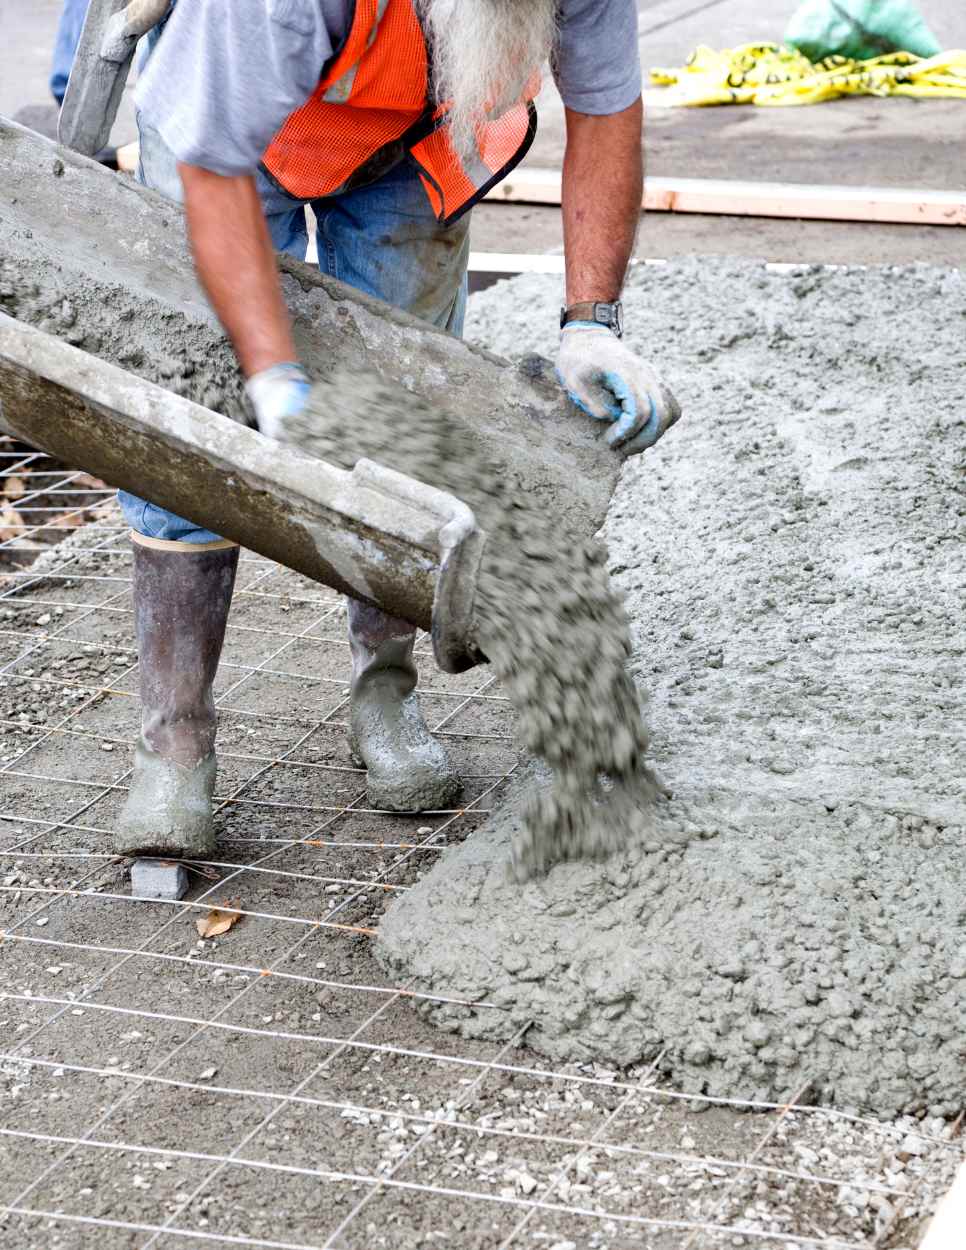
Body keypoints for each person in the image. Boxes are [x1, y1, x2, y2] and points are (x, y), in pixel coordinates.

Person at [114, 0, 681, 859]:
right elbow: (210, 165)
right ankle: (175, 744)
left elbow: (606, 107)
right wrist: (272, 377)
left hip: (415, 131)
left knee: (409, 409)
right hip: (228, 121)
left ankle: (384, 692)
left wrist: (591, 321)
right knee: (195, 404)